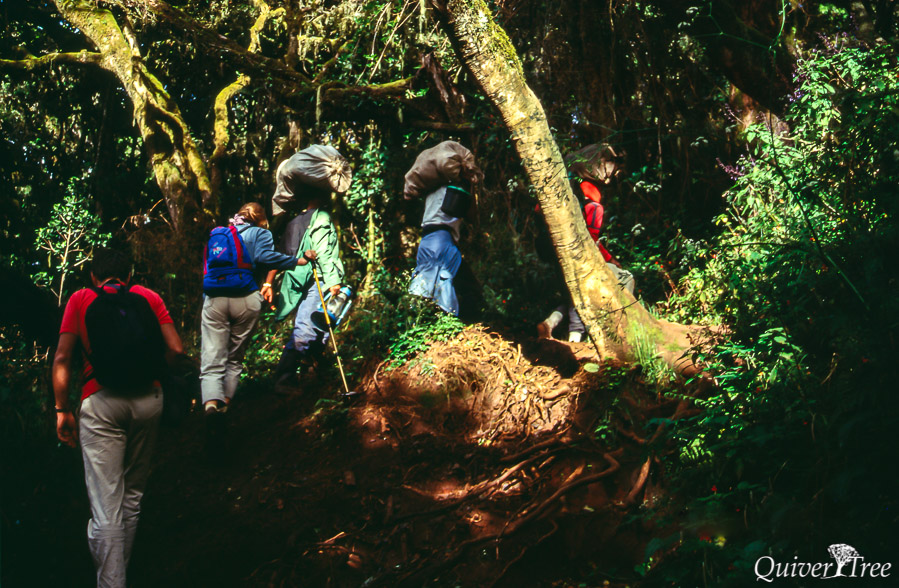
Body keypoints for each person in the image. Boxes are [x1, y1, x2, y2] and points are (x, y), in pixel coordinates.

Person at [53, 247, 183, 588]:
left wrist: (62, 410)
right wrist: (156, 372)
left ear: (93, 276)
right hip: (149, 400)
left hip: (101, 402)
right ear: (129, 275)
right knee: (132, 496)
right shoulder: (147, 297)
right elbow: (176, 349)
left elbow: (63, 358)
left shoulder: (81, 299)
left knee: (105, 505)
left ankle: (112, 583)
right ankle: (116, 577)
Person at [200, 202, 299, 418]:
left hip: (215, 298)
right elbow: (266, 257)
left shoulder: (221, 234)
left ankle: (210, 407)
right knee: (234, 358)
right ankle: (224, 406)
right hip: (246, 298)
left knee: (212, 357)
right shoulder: (260, 233)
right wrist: (296, 261)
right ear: (261, 218)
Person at [537, 165, 635, 342]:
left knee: (571, 296)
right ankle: (578, 339)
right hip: (578, 257)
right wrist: (609, 259)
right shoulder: (593, 206)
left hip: (556, 254)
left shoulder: (564, 199)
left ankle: (550, 322)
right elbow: (591, 238)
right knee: (617, 282)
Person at [268, 191, 344, 387]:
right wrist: (333, 280)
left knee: (317, 327)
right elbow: (323, 251)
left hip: (297, 280)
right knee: (308, 329)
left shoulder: (294, 222)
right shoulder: (322, 216)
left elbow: (281, 254)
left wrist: (268, 283)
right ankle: (283, 380)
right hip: (318, 278)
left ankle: (311, 374)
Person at [407, 158, 484, 320]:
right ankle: (464, 322)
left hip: (426, 243)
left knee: (427, 283)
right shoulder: (455, 192)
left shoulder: (431, 191)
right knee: (464, 285)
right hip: (441, 242)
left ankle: (424, 321)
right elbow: (471, 216)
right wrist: (472, 188)